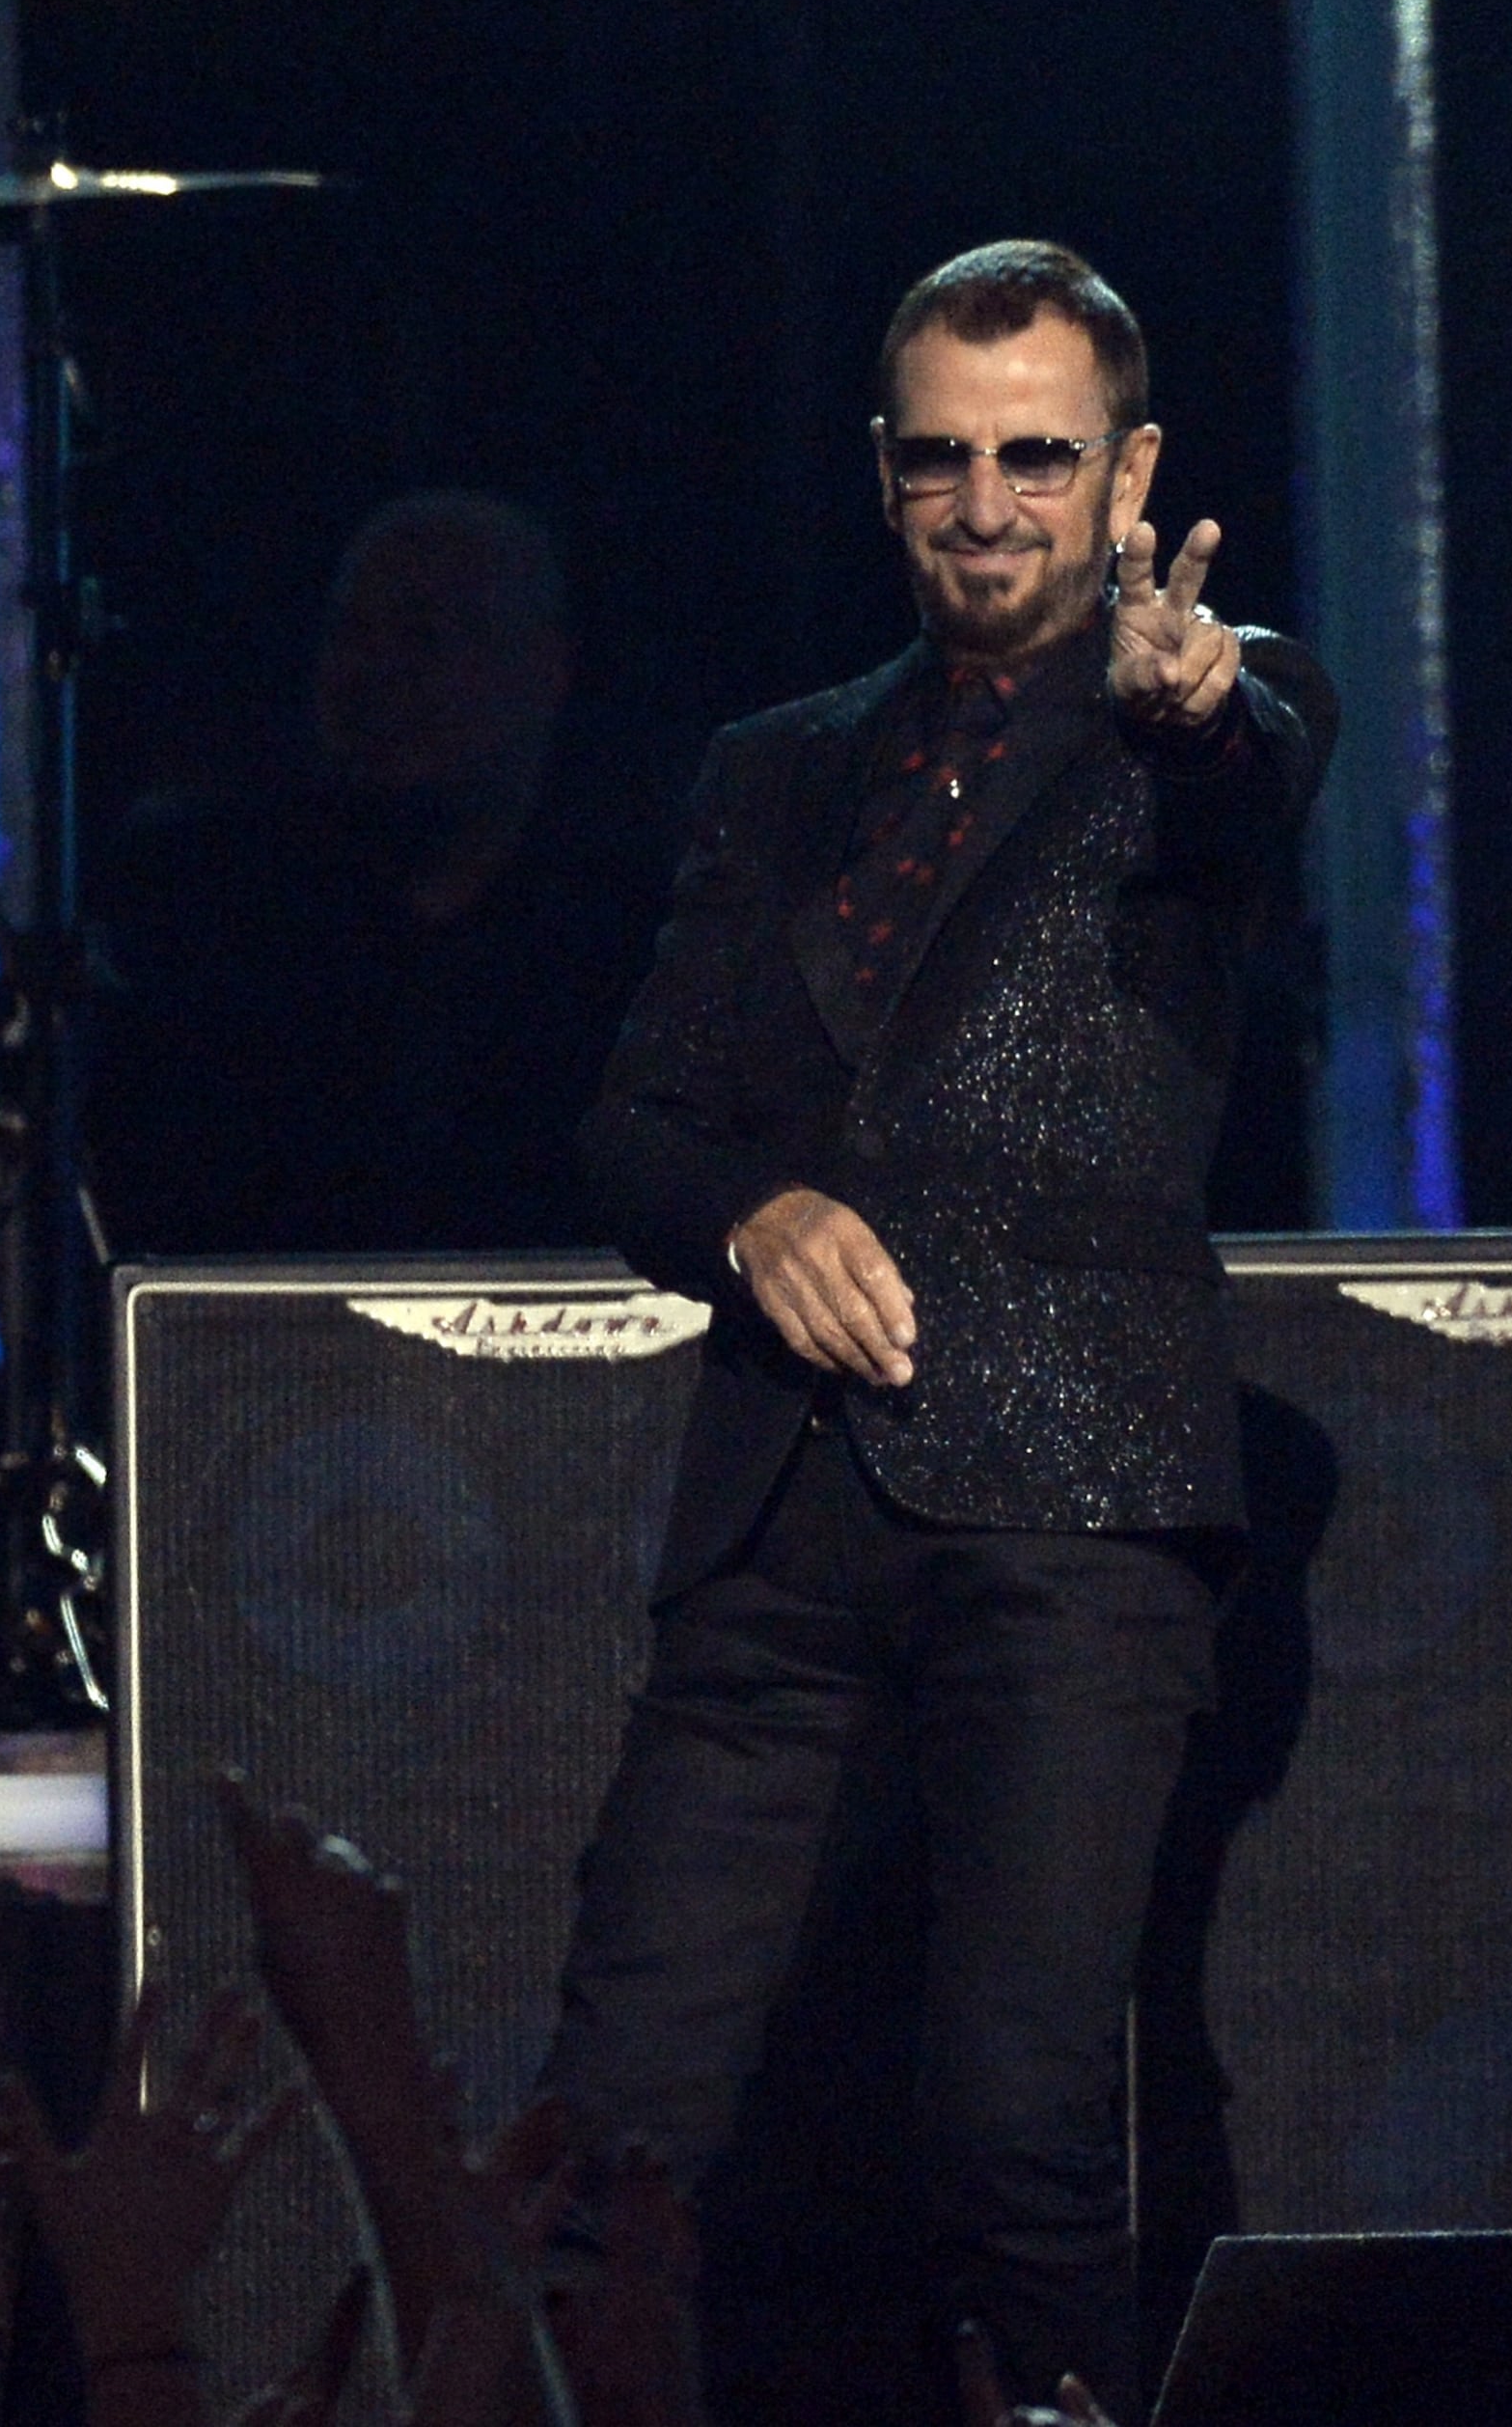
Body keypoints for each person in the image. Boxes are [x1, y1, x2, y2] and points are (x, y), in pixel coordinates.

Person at [537, 241, 1334, 2416]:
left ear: (1131, 469)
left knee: (1019, 2129)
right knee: (607, 2133)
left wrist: (1199, 707)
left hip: (1075, 1518)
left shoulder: (1211, 714)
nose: (988, 508)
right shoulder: (774, 765)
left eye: (1039, 461)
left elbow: (1246, 770)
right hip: (784, 1527)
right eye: (943, 461)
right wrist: (747, 1210)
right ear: (884, 476)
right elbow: (628, 1126)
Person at [91, 490, 674, 1257]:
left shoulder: (635, 935)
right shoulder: (224, 916)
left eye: (422, 637)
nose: (373, 674)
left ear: (543, 665)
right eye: (352, 634)